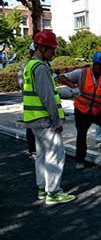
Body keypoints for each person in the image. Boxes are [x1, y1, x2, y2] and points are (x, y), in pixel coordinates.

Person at [23, 30, 76, 205]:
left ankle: (42, 188)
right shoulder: (41, 68)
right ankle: (53, 192)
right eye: (52, 50)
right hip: (46, 120)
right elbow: (47, 98)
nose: (54, 53)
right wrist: (56, 121)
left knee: (41, 154)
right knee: (55, 154)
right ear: (43, 48)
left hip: (34, 120)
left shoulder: (29, 66)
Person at [58, 52, 101, 169]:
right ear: (96, 65)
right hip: (82, 111)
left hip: (97, 111)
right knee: (81, 135)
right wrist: (73, 87)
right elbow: (61, 77)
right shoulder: (81, 73)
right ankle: (80, 161)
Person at [18, 42, 38, 158]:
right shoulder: (25, 66)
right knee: (30, 127)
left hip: (41, 104)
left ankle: (38, 150)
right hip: (30, 102)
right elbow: (22, 84)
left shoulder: (44, 64)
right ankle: (33, 150)